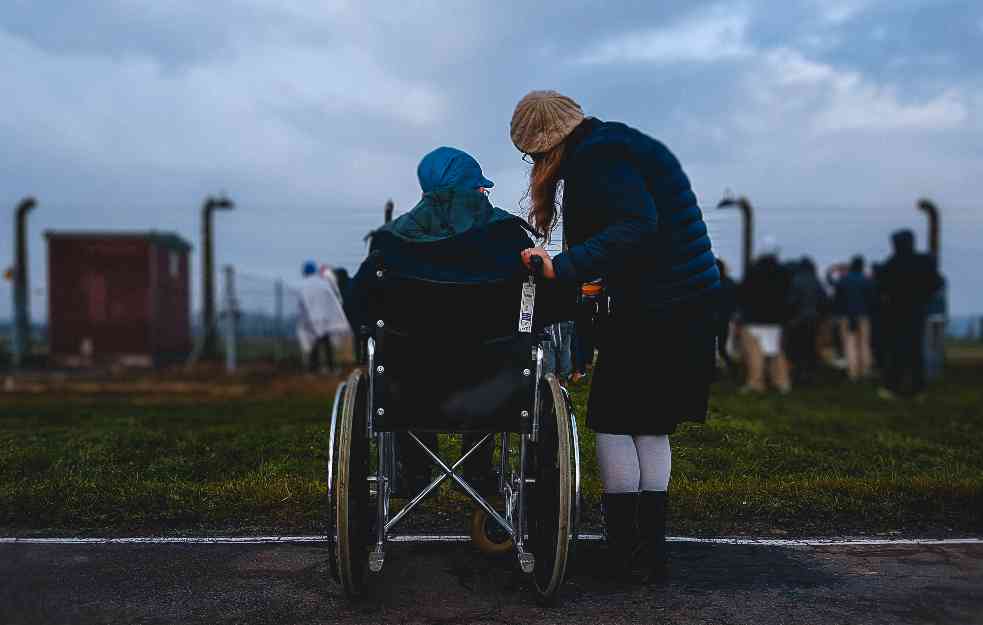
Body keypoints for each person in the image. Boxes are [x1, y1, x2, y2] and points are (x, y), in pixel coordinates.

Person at [511, 91, 720, 583]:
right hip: (685, 302)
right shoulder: (619, 144)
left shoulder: (598, 158)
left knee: (611, 419)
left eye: (535, 156)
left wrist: (561, 266)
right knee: (649, 423)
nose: (537, 165)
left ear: (550, 144)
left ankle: (624, 550)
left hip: (656, 305)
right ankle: (650, 552)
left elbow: (635, 224)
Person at [346, 146, 569, 495]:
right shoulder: (509, 237)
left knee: (403, 364)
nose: (485, 192)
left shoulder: (390, 243)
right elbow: (550, 307)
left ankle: (417, 468)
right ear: (474, 189)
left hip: (410, 387)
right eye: (482, 187)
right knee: (494, 358)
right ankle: (478, 469)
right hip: (493, 387)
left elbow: (359, 307)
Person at [876, 230, 943, 398]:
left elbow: (880, 289)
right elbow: (937, 283)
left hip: (895, 312)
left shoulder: (890, 264)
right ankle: (917, 388)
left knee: (896, 350)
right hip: (917, 311)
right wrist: (924, 297)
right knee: (916, 351)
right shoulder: (923, 262)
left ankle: (893, 386)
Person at [738, 244, 792, 394]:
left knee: (755, 353)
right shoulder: (783, 272)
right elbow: (787, 295)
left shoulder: (753, 271)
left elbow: (743, 293)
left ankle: (756, 383)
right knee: (776, 352)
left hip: (753, 319)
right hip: (775, 320)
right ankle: (782, 383)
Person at [296, 261, 350, 373]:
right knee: (327, 344)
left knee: (314, 344)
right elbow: (332, 300)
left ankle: (313, 369)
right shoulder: (323, 283)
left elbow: (301, 305)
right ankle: (330, 367)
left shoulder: (303, 286)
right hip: (325, 319)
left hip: (311, 320)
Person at [829, 256, 875, 381]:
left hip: (846, 316)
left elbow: (832, 285)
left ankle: (853, 373)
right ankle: (865, 371)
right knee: (865, 344)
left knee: (850, 345)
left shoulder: (843, 280)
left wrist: (832, 270)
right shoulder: (867, 280)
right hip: (864, 315)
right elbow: (872, 299)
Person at [786, 257, 828, 384]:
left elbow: (791, 301)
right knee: (810, 347)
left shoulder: (795, 280)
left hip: (798, 320)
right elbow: (824, 300)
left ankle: (799, 374)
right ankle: (811, 374)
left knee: (798, 347)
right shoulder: (816, 281)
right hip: (814, 319)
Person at [714, 259, 739, 377]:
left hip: (712, 319)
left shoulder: (709, 284)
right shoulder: (730, 283)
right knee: (723, 348)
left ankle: (723, 370)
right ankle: (731, 370)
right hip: (726, 320)